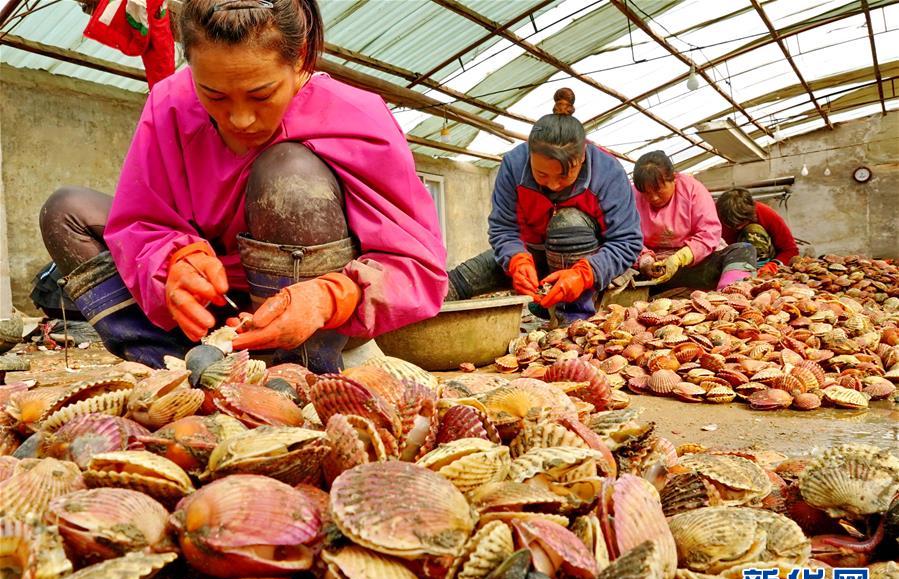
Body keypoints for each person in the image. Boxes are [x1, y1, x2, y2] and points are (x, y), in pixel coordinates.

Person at [38, 0, 447, 373]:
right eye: (213, 95)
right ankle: (174, 366)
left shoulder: (357, 117)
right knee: (66, 211)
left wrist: (330, 296)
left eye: (261, 94)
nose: (240, 119)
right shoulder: (169, 104)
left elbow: (419, 269)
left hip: (315, 320)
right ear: (190, 64)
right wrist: (173, 263)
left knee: (288, 172)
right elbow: (140, 222)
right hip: (209, 317)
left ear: (300, 58)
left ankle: (298, 371)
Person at [446, 88, 643, 323]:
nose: (553, 185)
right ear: (530, 155)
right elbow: (503, 228)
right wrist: (516, 258)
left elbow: (627, 241)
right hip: (533, 254)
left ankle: (572, 320)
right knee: (455, 283)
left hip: (585, 261)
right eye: (541, 174)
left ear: (581, 157)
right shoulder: (513, 165)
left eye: (563, 176)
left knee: (567, 224)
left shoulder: (608, 172)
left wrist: (585, 274)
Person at [632, 151, 756, 290]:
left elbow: (709, 233)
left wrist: (681, 257)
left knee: (743, 250)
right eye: (646, 193)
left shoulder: (693, 189)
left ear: (673, 178)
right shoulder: (631, 197)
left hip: (694, 264)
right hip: (654, 271)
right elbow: (626, 236)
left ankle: (731, 292)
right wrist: (644, 259)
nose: (653, 197)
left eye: (658, 190)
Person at [716, 188, 799, 276]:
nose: (736, 227)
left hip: (764, 263)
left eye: (741, 222)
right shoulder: (712, 216)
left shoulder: (765, 213)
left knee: (753, 229)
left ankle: (758, 269)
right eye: (731, 224)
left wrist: (774, 264)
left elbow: (790, 249)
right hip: (729, 259)